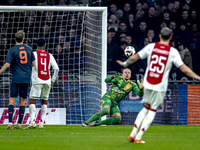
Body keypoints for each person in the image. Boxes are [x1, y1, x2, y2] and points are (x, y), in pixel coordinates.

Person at [116, 27, 200, 143]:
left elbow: (136, 57)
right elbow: (183, 68)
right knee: (152, 110)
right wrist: (197, 77)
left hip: (148, 83)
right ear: (170, 38)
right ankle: (138, 137)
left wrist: (125, 63)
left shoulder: (151, 47)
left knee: (145, 107)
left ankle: (132, 134)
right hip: (160, 85)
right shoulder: (172, 52)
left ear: (160, 36)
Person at [0, 30, 35, 129]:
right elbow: (33, 63)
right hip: (26, 78)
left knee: (12, 100)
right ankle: (19, 124)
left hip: (16, 78)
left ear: (15, 39)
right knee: (22, 101)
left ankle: (10, 123)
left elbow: (7, 65)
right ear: (23, 38)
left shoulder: (12, 50)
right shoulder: (29, 49)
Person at [24, 39, 59, 129]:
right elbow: (56, 68)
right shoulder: (49, 55)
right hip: (47, 81)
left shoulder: (34, 54)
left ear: (36, 45)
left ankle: (32, 122)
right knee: (44, 102)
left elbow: (28, 66)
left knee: (32, 101)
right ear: (45, 45)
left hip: (37, 81)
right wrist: (53, 80)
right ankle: (41, 123)